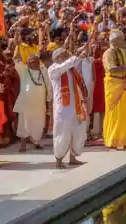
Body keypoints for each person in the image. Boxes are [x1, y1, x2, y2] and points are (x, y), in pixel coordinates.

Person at [47, 40, 88, 169]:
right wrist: (75, 56)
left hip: (76, 106)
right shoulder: (53, 69)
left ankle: (72, 158)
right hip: (63, 108)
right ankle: (58, 159)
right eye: (65, 55)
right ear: (57, 58)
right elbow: (63, 66)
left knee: (77, 131)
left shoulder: (71, 70)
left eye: (67, 55)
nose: (68, 57)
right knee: (62, 132)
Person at [102, 31, 126, 149]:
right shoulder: (109, 53)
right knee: (115, 113)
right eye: (122, 39)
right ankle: (112, 140)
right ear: (115, 40)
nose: (124, 41)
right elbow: (111, 69)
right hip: (114, 84)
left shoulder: (123, 52)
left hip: (124, 84)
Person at [13, 48, 49, 153]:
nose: (30, 62)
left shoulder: (43, 71)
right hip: (26, 102)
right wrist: (17, 45)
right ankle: (23, 145)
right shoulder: (24, 70)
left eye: (32, 60)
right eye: (28, 60)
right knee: (23, 123)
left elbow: (48, 85)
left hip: (39, 103)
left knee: (39, 122)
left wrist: (49, 99)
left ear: (38, 62)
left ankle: (36, 142)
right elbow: (16, 60)